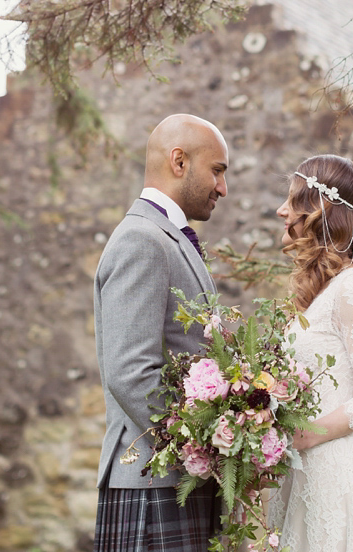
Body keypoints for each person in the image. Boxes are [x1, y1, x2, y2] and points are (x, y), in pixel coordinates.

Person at [92, 113, 230, 552]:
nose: (223, 188)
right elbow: (131, 371)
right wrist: (203, 442)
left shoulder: (166, 236)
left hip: (177, 479)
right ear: (179, 161)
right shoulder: (142, 239)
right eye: (218, 170)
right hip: (153, 480)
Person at [269, 154, 353, 551]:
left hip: (338, 480)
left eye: (292, 201)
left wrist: (302, 436)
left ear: (319, 209)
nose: (281, 211)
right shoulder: (317, 295)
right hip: (302, 479)